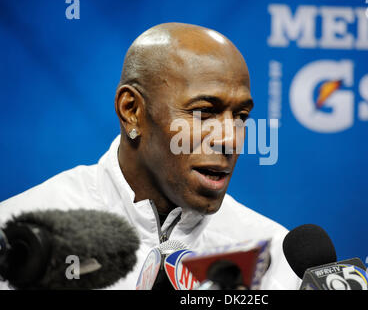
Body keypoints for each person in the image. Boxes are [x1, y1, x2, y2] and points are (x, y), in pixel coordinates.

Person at [0, 23, 301, 289]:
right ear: (132, 110)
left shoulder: (274, 256)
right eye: (203, 113)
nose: (230, 139)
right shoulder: (18, 237)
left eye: (241, 116)